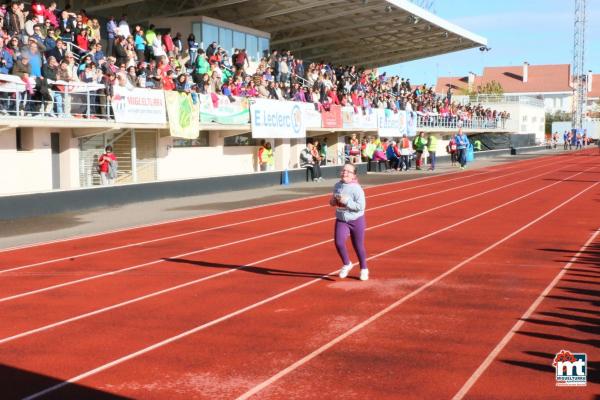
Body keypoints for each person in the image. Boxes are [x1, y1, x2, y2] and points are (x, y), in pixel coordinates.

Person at [331, 163, 369, 281]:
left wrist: (347, 202)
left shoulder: (357, 189)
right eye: (343, 170)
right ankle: (347, 263)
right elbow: (335, 200)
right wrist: (332, 201)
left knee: (358, 246)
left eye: (348, 171)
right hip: (342, 220)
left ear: (354, 175)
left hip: (357, 220)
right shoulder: (337, 185)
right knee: (339, 243)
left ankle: (364, 268)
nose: (344, 173)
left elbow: (361, 206)